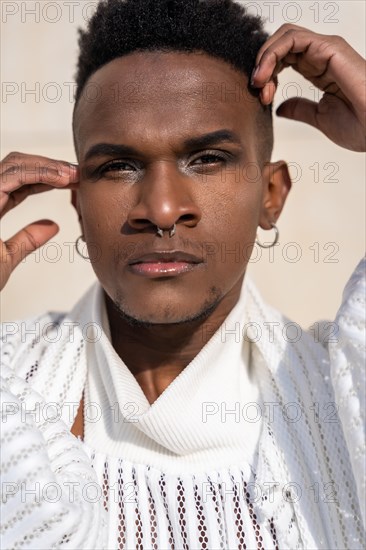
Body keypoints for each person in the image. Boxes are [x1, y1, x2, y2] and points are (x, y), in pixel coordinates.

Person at [1, 0, 365, 548]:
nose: (163, 208)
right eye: (118, 166)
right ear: (77, 203)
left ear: (271, 195)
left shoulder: (342, 402)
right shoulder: (13, 380)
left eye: (208, 159)